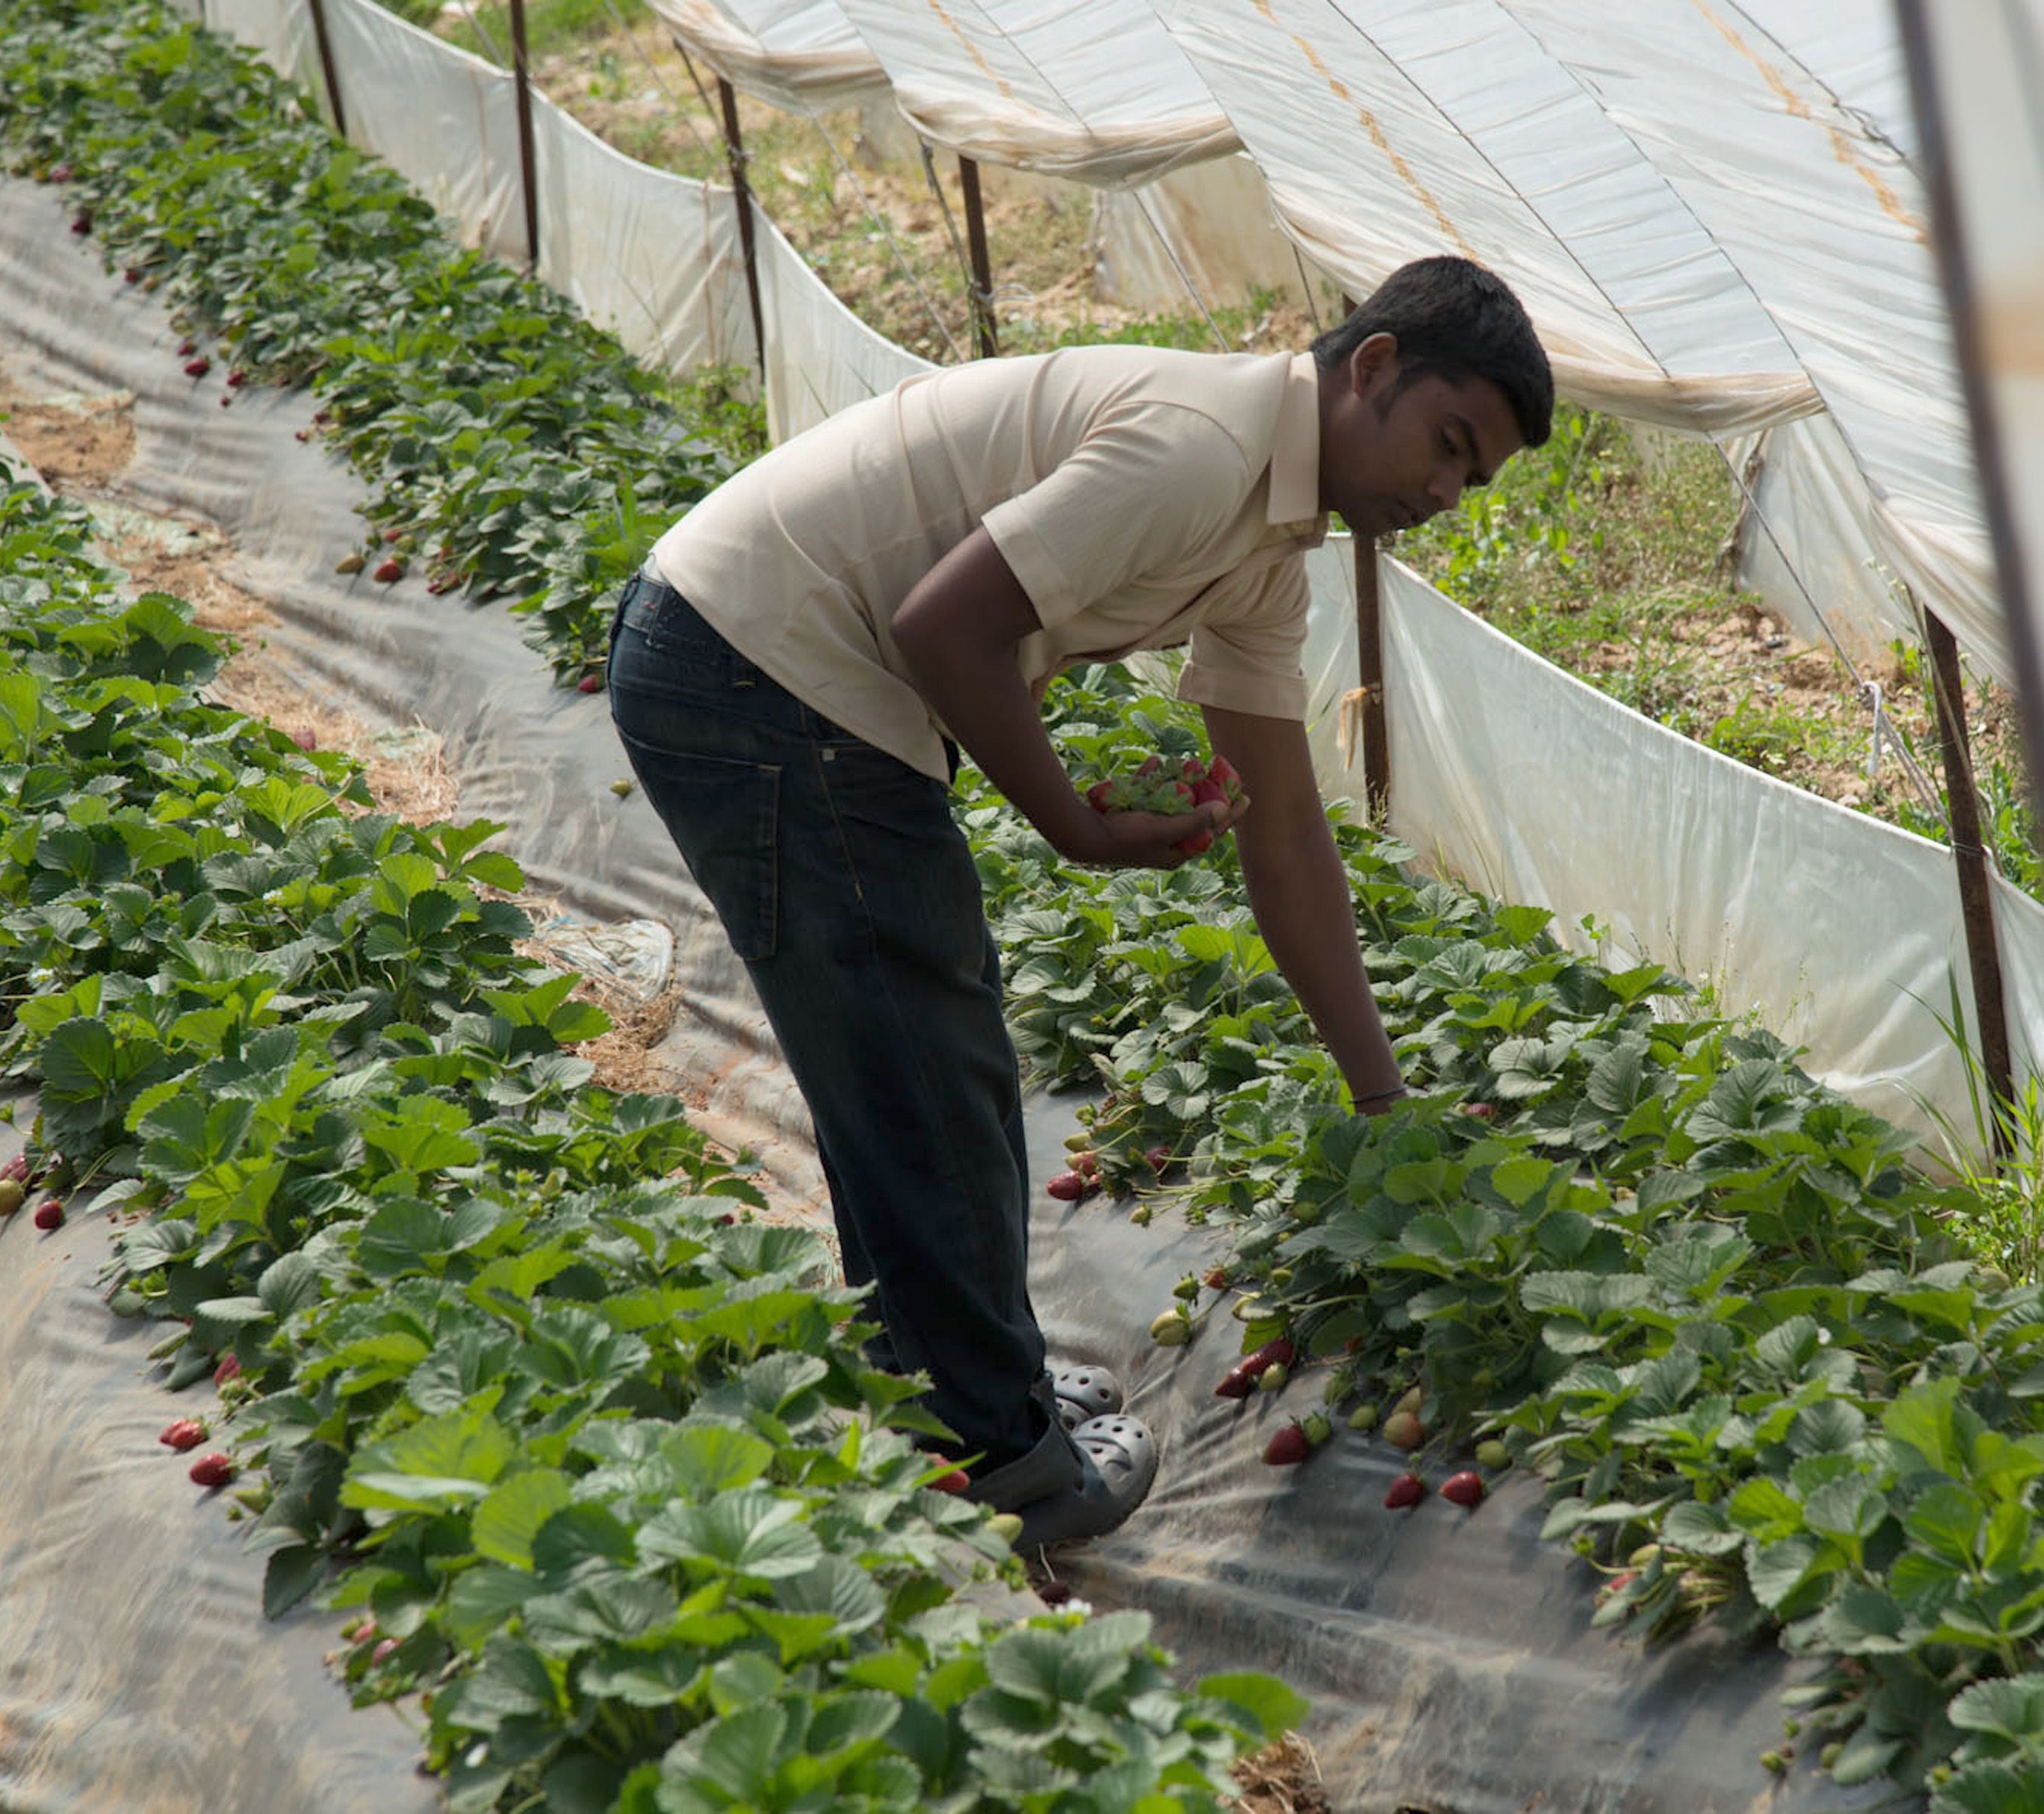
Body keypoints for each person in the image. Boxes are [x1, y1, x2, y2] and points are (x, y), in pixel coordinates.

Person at [605, 255, 1552, 1544]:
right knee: (923, 1066)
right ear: (1373, 367)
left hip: (777, 663)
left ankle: (946, 1385)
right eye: (1447, 444)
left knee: (912, 1055)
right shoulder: (1204, 447)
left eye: (1473, 479)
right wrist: (1076, 824)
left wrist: (1381, 1096)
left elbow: (1284, 833)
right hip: (757, 658)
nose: (1445, 493)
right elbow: (946, 626)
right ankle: (1000, 1451)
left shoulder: (1267, 548)